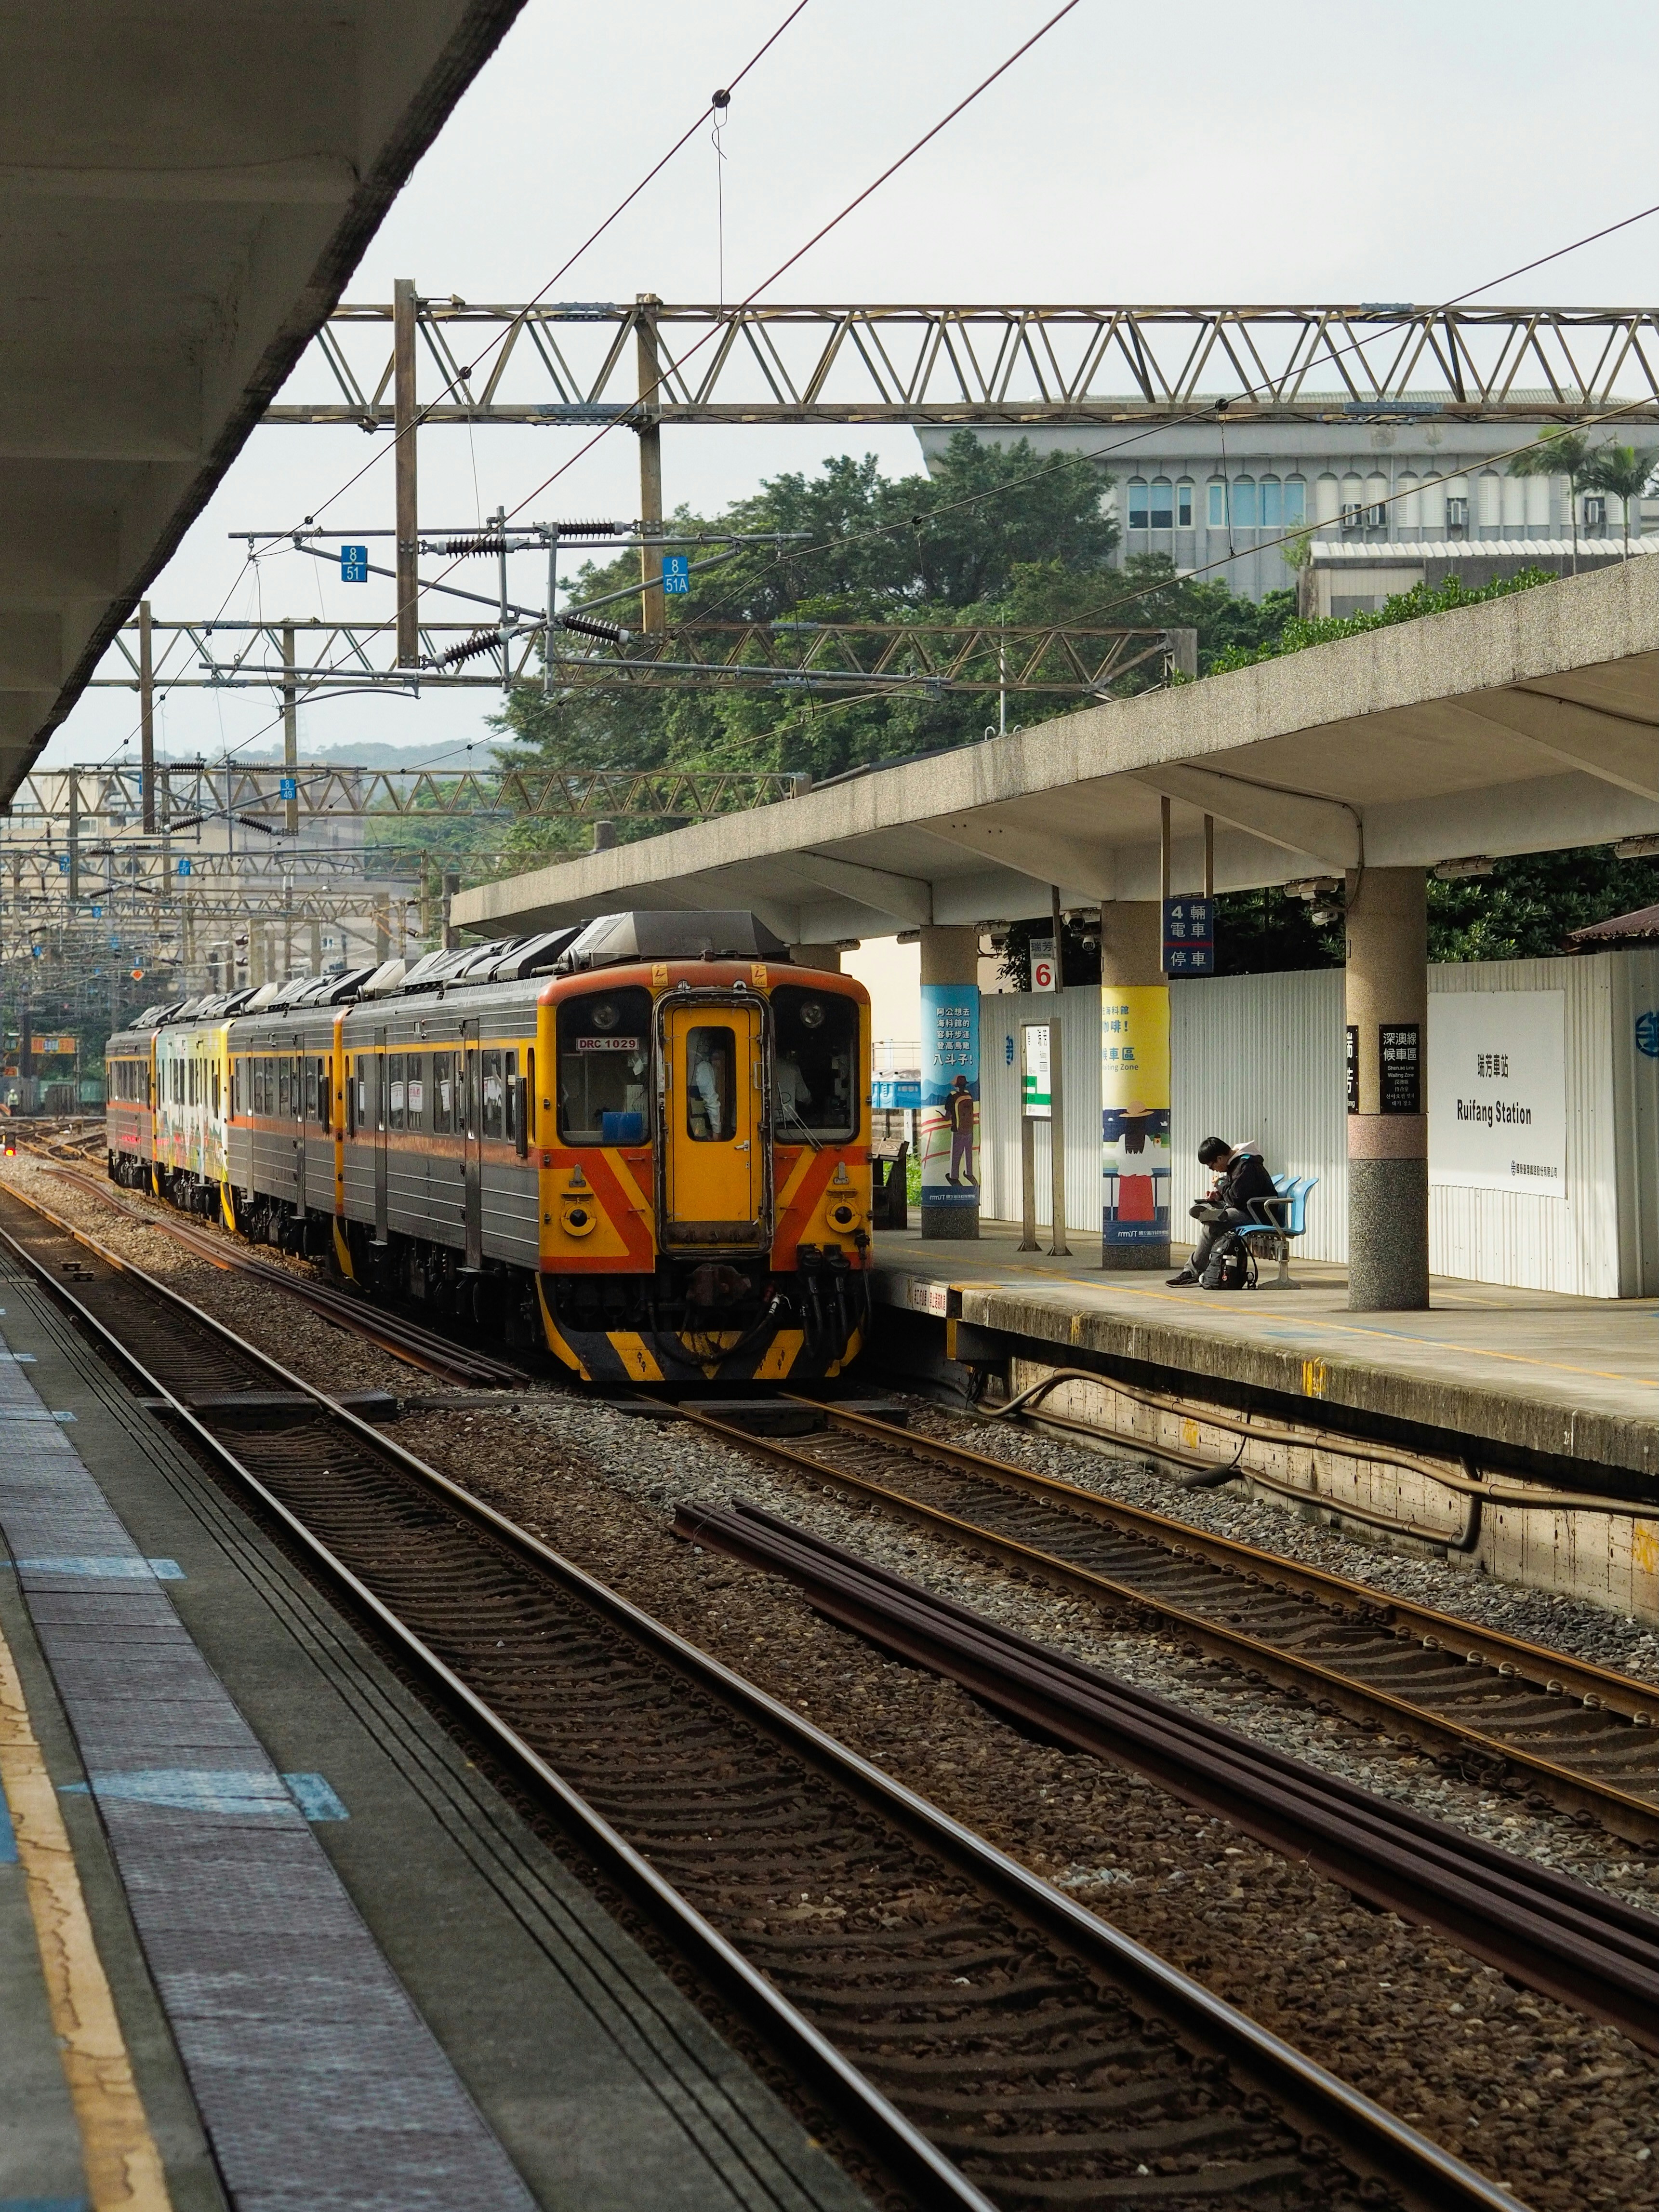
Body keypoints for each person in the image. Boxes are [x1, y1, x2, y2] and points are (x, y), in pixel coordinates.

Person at [1167, 1135, 1277, 1287]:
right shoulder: (1237, 1165)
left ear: (1220, 1159)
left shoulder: (1247, 1166)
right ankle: (1212, 1212)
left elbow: (1236, 1198)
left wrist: (1220, 1183)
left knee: (1212, 1225)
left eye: (1211, 1166)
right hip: (1246, 1210)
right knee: (1213, 1222)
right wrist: (1219, 1196)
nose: (1213, 1170)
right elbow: (1236, 1194)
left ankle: (1192, 1273)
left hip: (1256, 1215)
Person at [944, 1073, 977, 1187]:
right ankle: (969, 1173)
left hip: (957, 1130)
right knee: (969, 1152)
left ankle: (954, 1177)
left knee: (956, 1154)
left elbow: (947, 1117)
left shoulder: (952, 1096)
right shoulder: (969, 1095)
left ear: (955, 1085)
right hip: (969, 1129)